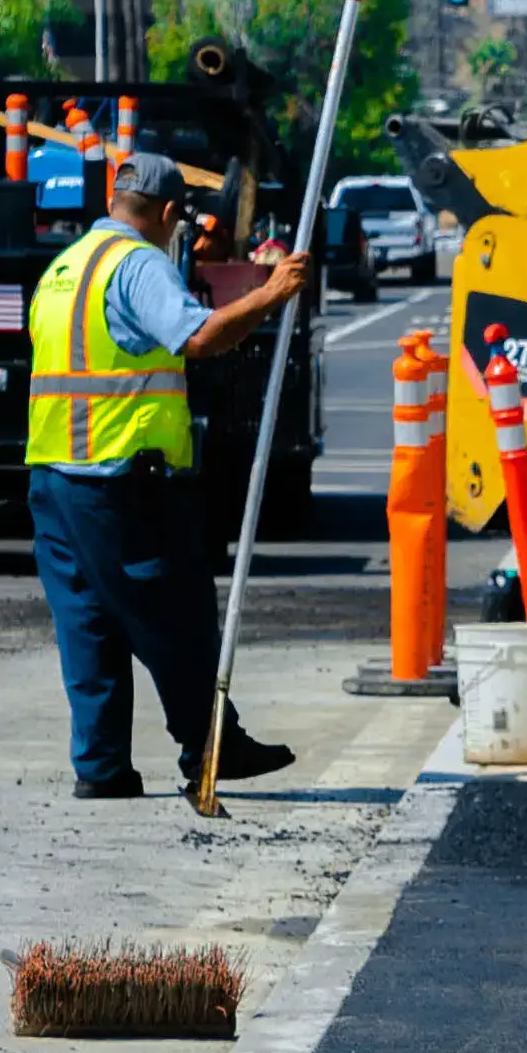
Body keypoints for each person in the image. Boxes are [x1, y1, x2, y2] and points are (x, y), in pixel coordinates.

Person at [25, 152, 309, 800]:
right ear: (170, 212)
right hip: (120, 479)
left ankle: (101, 767)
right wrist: (271, 292)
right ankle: (212, 746)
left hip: (53, 478)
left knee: (88, 622)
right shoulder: (138, 264)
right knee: (175, 615)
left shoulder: (65, 267)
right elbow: (200, 337)